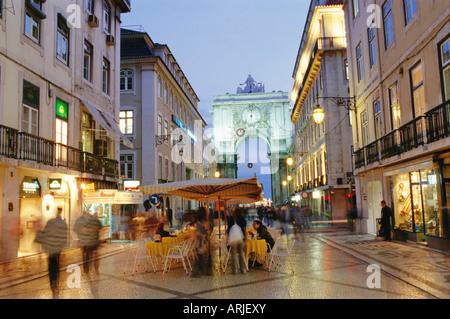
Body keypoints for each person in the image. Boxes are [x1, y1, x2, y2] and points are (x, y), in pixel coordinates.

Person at [35, 208, 68, 298]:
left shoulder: (50, 222)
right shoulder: (63, 223)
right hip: (58, 248)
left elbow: (45, 233)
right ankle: (56, 281)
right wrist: (63, 245)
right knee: (57, 265)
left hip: (51, 248)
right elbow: (65, 236)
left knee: (51, 265)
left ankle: (53, 283)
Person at [74, 211, 102, 275]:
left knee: (87, 256)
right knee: (93, 255)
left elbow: (79, 230)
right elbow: (100, 227)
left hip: (88, 242)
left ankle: (87, 270)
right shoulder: (95, 221)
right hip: (93, 241)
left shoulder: (84, 222)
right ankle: (94, 269)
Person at [227, 208, 247, 275]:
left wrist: (228, 238)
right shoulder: (243, 219)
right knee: (241, 254)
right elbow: (244, 230)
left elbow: (228, 229)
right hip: (240, 238)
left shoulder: (231, 219)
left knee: (234, 254)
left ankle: (235, 270)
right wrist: (245, 239)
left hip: (233, 238)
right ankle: (243, 270)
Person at [191, 207, 208, 278]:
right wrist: (205, 232)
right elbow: (198, 232)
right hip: (199, 242)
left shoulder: (200, 222)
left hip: (201, 242)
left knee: (200, 257)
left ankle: (199, 271)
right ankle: (196, 272)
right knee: (199, 257)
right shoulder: (199, 223)